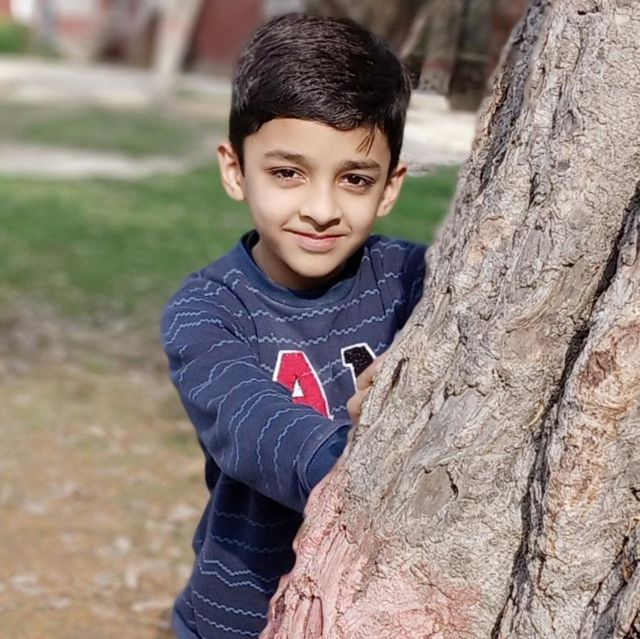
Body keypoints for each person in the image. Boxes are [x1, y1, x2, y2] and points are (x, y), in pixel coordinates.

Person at [161, 12, 426, 639]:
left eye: (355, 179)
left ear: (390, 187)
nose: (321, 209)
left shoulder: (417, 281)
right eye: (288, 173)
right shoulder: (206, 311)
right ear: (235, 169)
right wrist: (359, 459)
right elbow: (252, 425)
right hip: (240, 616)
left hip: (368, 614)